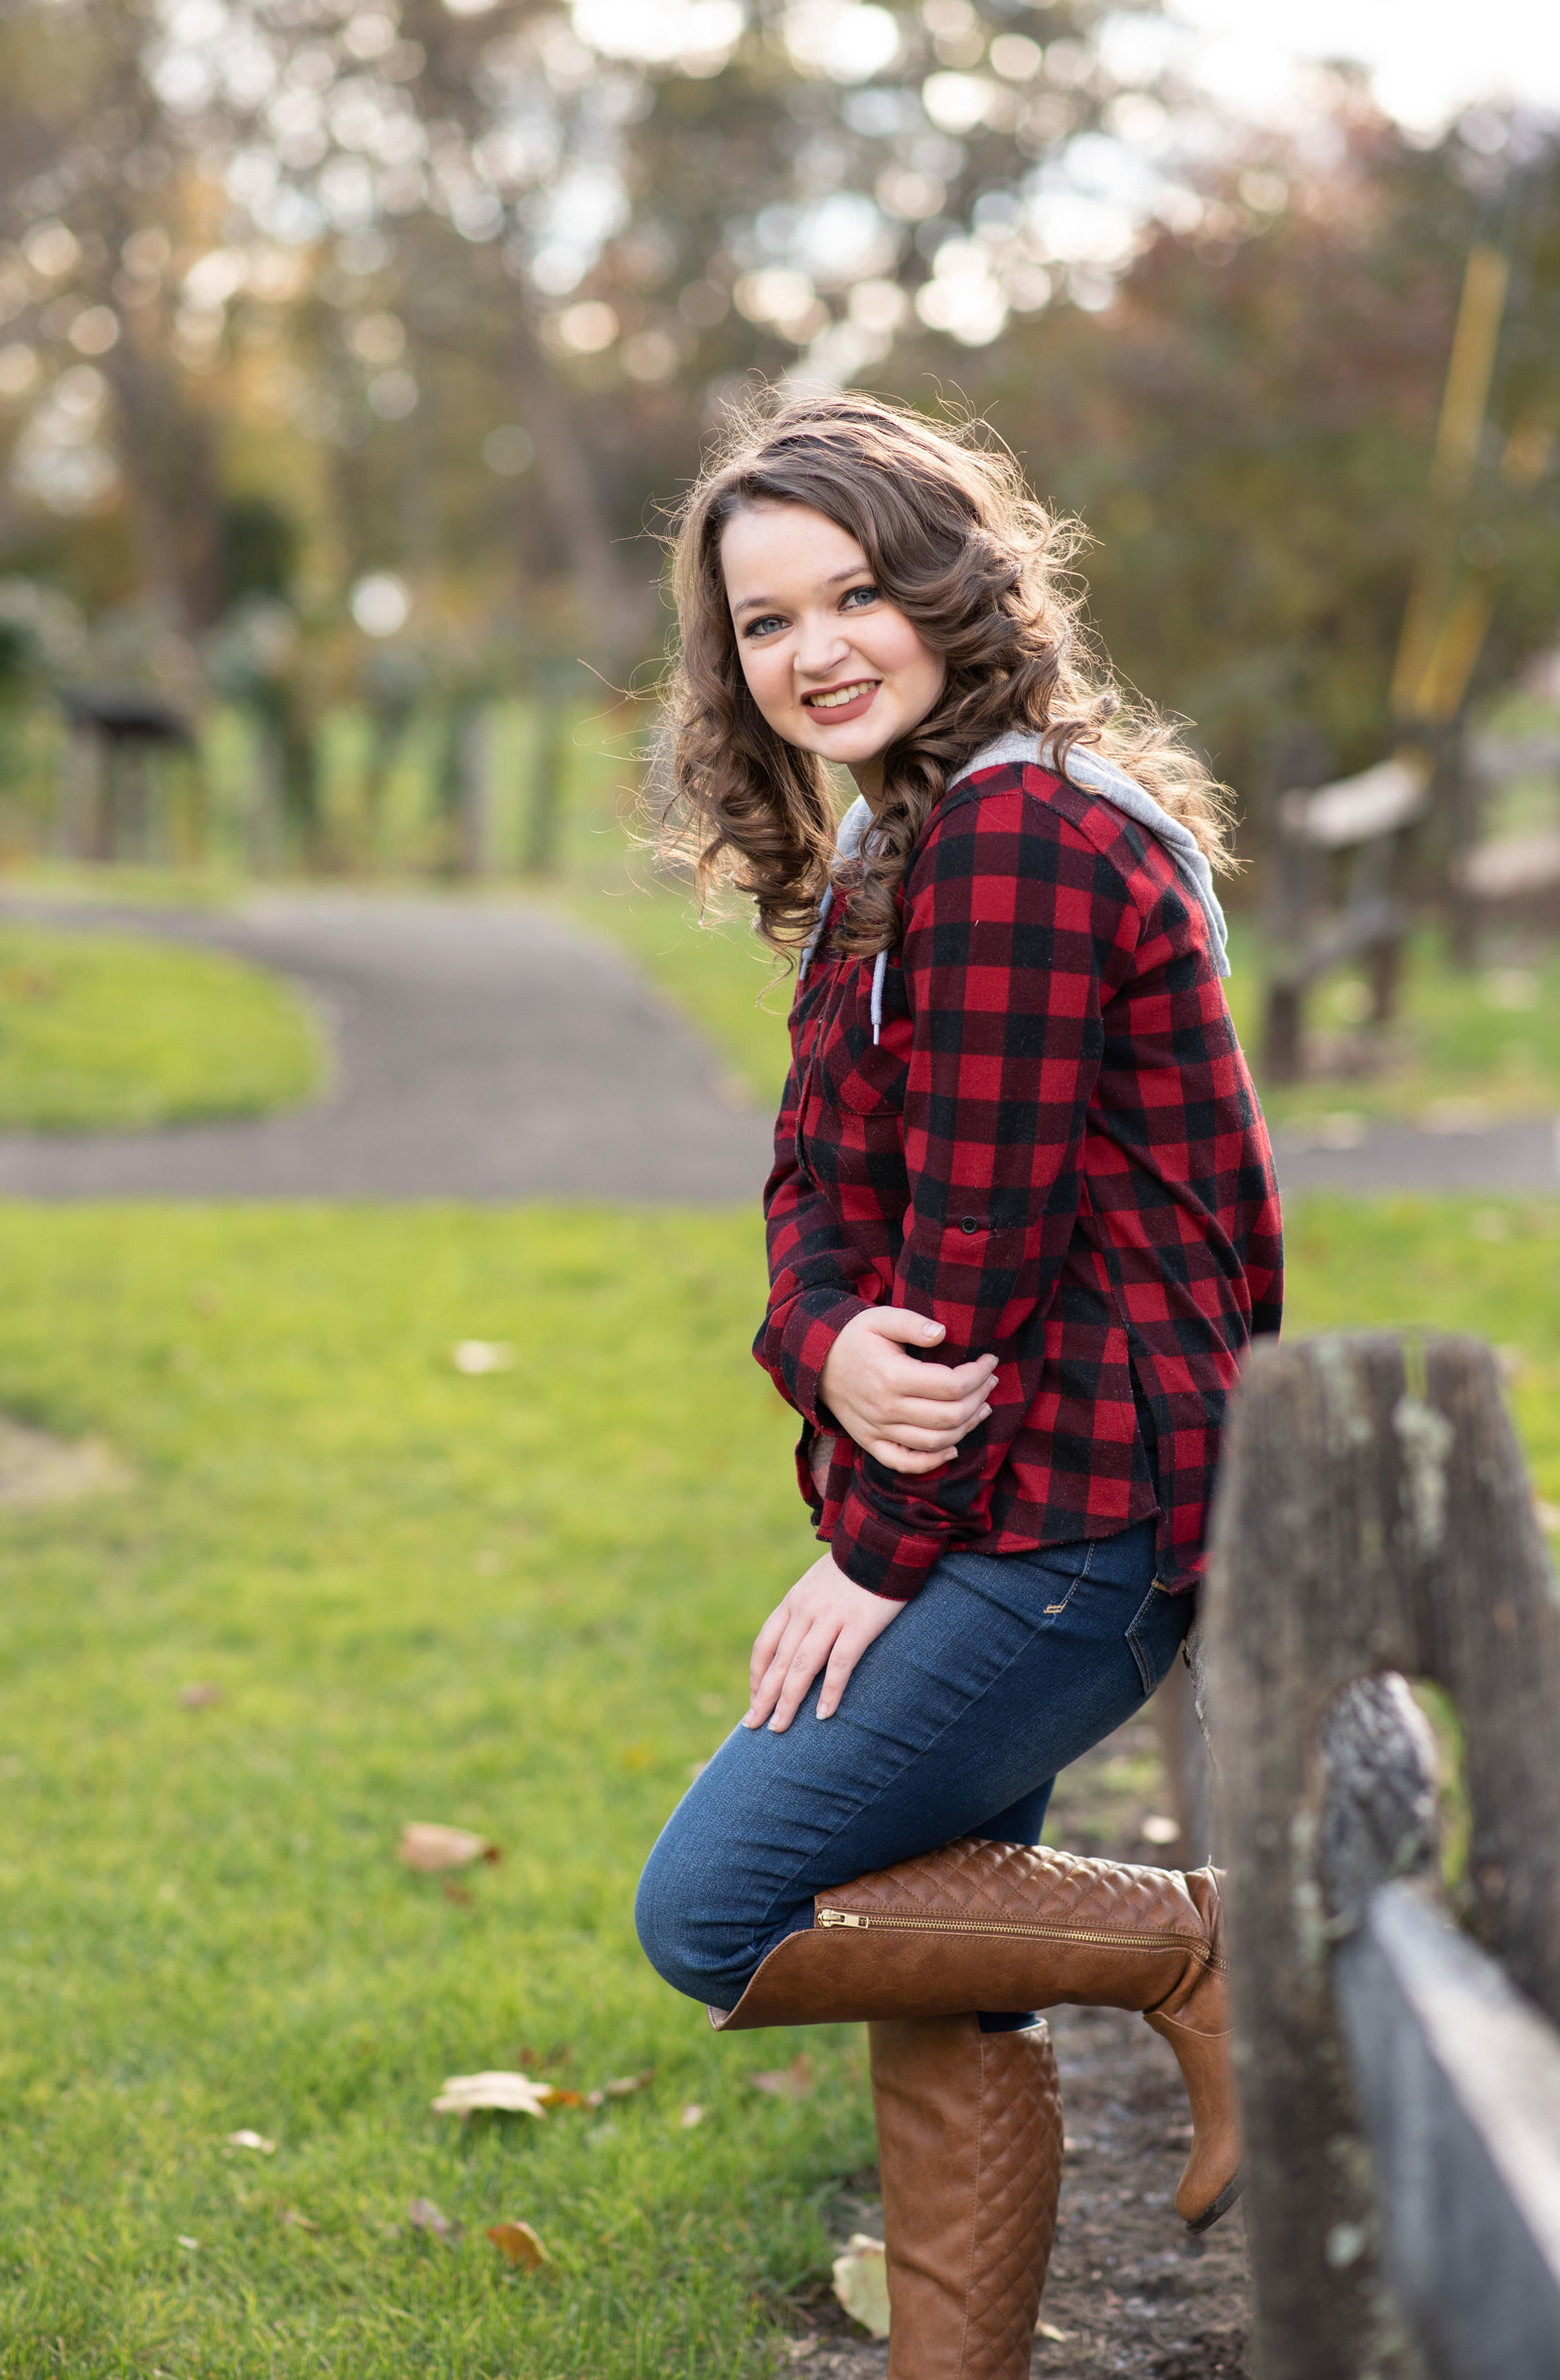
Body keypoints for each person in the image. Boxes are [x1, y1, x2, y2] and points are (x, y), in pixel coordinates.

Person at [636, 394, 1282, 2379]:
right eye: (761, 621)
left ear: (951, 585)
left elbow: (981, 1256)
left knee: (722, 1902)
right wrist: (820, 1336)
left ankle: (1204, 1941)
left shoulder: (1017, 831)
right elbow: (814, 1197)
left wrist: (871, 1544)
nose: (812, 645)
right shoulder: (898, 843)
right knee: (921, 1938)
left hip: (1074, 1507)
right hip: (1018, 1485)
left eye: (853, 590)